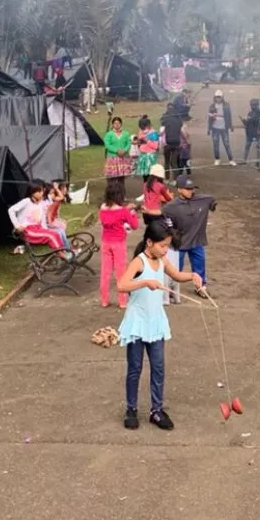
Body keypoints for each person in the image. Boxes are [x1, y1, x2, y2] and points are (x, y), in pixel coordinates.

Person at [117, 221, 203, 431]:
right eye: (163, 245)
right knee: (135, 369)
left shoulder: (162, 259)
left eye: (167, 246)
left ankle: (156, 410)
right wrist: (144, 282)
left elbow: (176, 275)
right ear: (149, 242)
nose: (166, 249)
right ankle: (131, 409)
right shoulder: (139, 262)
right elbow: (121, 285)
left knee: (158, 368)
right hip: (138, 322)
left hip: (155, 322)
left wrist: (192, 276)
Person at [161, 175, 217, 299]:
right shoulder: (170, 207)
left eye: (192, 189)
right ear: (179, 189)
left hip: (197, 241)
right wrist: (172, 234)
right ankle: (171, 288)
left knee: (199, 267)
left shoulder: (203, 200)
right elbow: (165, 222)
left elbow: (211, 200)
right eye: (187, 189)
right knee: (175, 268)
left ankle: (200, 287)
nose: (191, 191)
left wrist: (213, 205)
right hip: (179, 243)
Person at [98, 179, 140, 308]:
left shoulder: (103, 209)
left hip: (106, 242)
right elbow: (134, 225)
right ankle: (122, 301)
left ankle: (104, 300)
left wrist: (126, 210)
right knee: (121, 272)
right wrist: (133, 214)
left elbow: (112, 215)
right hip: (119, 244)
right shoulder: (123, 211)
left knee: (105, 272)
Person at [8, 183, 69, 251]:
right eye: (39, 191)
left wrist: (45, 229)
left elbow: (42, 219)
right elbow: (11, 210)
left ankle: (66, 250)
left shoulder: (40, 204)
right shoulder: (26, 201)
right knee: (53, 235)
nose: (42, 193)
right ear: (32, 192)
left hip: (37, 228)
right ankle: (64, 253)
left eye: (42, 191)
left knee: (57, 232)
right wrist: (17, 225)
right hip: (27, 230)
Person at [208, 89, 235, 166]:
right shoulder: (212, 106)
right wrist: (208, 129)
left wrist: (231, 125)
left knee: (226, 144)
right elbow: (209, 118)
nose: (218, 98)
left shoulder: (226, 105)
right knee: (216, 144)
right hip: (215, 128)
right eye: (217, 97)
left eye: (219, 97)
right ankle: (217, 159)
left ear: (222, 97)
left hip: (224, 128)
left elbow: (229, 116)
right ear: (215, 97)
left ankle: (231, 160)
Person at [141, 164, 173, 229]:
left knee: (150, 229)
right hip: (155, 212)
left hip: (145, 211)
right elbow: (168, 198)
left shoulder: (145, 185)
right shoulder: (160, 186)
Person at [103, 116, 134, 182]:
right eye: (115, 123)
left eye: (118, 123)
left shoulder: (126, 134)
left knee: (121, 178)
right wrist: (116, 151)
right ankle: (112, 191)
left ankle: (121, 191)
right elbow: (107, 145)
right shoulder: (109, 134)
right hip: (112, 158)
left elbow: (128, 143)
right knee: (112, 178)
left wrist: (124, 150)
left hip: (123, 158)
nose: (117, 125)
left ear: (121, 124)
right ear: (113, 124)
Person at [161, 105, 185, 177]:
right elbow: (180, 130)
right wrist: (185, 140)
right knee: (174, 163)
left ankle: (167, 178)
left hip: (167, 143)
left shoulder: (165, 118)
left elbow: (162, 127)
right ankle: (175, 179)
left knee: (167, 162)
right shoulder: (178, 119)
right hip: (177, 143)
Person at [241, 98, 260, 164]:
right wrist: (243, 121)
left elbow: (255, 120)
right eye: (251, 105)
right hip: (249, 133)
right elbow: (247, 123)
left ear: (257, 105)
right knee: (247, 146)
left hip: (256, 133)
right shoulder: (250, 113)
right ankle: (244, 160)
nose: (252, 106)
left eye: (253, 105)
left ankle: (258, 162)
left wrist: (248, 120)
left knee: (258, 147)